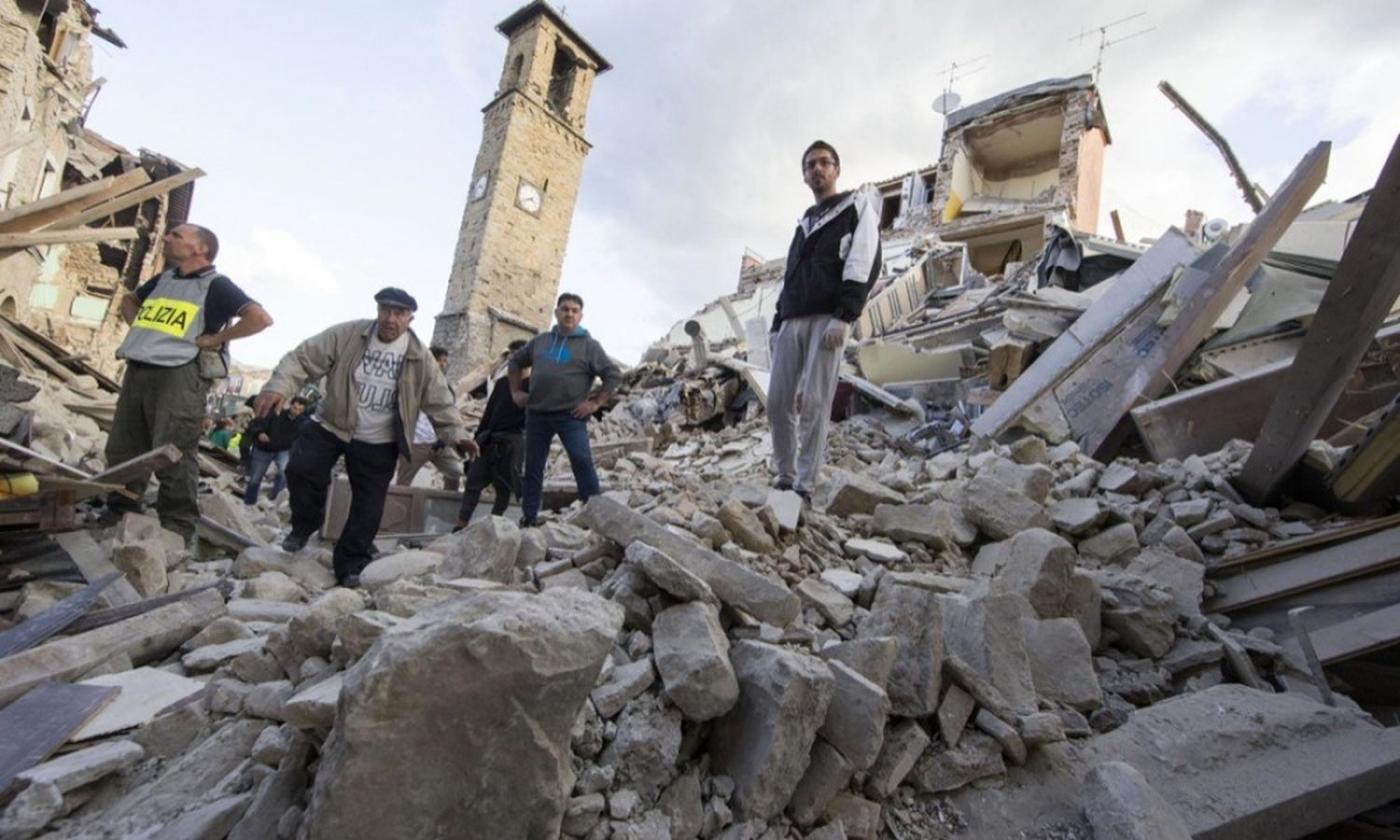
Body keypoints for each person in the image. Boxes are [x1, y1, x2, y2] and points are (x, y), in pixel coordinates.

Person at [254, 287, 467, 587]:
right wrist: (278, 387)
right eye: (385, 311)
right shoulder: (348, 335)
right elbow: (302, 359)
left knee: (369, 505)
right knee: (301, 470)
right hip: (332, 424)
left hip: (379, 440)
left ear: (410, 318)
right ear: (377, 310)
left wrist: (457, 434)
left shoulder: (420, 356)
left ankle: (351, 563)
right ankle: (305, 523)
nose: (390, 319)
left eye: (399, 313)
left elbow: (440, 402)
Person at [104, 223, 272, 541]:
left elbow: (259, 318)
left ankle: (176, 524)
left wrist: (217, 338)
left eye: (177, 235)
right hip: (139, 368)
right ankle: (121, 508)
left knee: (174, 449)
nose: (167, 238)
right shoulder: (165, 279)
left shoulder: (216, 285)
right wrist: (140, 331)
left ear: (200, 249)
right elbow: (129, 301)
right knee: (125, 446)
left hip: (179, 374)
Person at [767, 140, 881, 500]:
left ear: (836, 170)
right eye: (810, 165)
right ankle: (784, 474)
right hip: (793, 318)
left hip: (828, 319)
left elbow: (863, 261)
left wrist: (846, 315)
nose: (817, 169)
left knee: (815, 401)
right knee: (777, 401)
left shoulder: (856, 207)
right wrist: (776, 321)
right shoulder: (804, 223)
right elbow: (790, 275)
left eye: (824, 163)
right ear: (804, 176)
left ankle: (804, 484)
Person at [509, 293, 620, 527]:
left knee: (581, 462)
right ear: (557, 312)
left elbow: (612, 375)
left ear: (580, 315)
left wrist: (594, 403)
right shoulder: (541, 341)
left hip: (570, 416)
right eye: (565, 309)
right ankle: (529, 517)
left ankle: (595, 517)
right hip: (537, 414)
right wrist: (516, 392)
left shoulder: (589, 346)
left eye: (574, 310)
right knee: (533, 467)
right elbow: (515, 362)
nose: (569, 313)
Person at [455, 340, 529, 529]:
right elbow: (488, 415)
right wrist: (477, 440)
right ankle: (460, 525)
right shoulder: (502, 383)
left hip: (512, 442)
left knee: (503, 489)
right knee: (474, 481)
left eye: (518, 354)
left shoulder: (534, 385)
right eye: (511, 355)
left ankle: (492, 527)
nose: (514, 359)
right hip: (490, 439)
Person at [394, 346, 464, 491]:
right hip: (416, 443)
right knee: (402, 485)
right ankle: (396, 512)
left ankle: (445, 511)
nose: (443, 364)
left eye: (445, 361)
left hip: (440, 444)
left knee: (455, 473)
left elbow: (449, 415)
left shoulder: (447, 388)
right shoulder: (413, 383)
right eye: (439, 360)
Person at [243, 396, 308, 504]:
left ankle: (274, 501)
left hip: (283, 449)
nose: (296, 412)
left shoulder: (302, 422)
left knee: (284, 473)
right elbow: (257, 424)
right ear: (290, 405)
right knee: (255, 477)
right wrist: (260, 433)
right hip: (264, 448)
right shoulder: (276, 413)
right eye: (295, 408)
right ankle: (249, 502)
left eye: (300, 410)